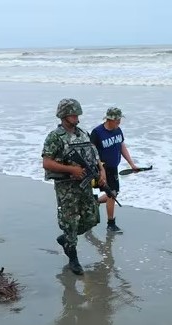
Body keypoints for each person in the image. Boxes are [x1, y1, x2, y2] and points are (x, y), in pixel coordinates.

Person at [42, 98, 106, 275]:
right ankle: (73, 258)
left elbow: (94, 155)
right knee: (70, 223)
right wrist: (70, 169)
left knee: (92, 218)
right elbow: (47, 163)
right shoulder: (55, 137)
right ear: (63, 115)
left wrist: (101, 172)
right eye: (72, 113)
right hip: (66, 187)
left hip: (85, 185)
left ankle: (66, 239)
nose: (76, 116)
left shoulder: (83, 133)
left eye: (77, 113)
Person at [90, 107, 138, 233]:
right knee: (112, 193)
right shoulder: (97, 132)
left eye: (120, 119)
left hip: (113, 167)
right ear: (109, 119)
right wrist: (101, 170)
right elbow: (92, 153)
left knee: (114, 192)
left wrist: (131, 164)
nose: (119, 122)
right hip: (102, 167)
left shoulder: (118, 130)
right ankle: (111, 224)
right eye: (117, 120)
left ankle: (94, 201)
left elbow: (122, 147)